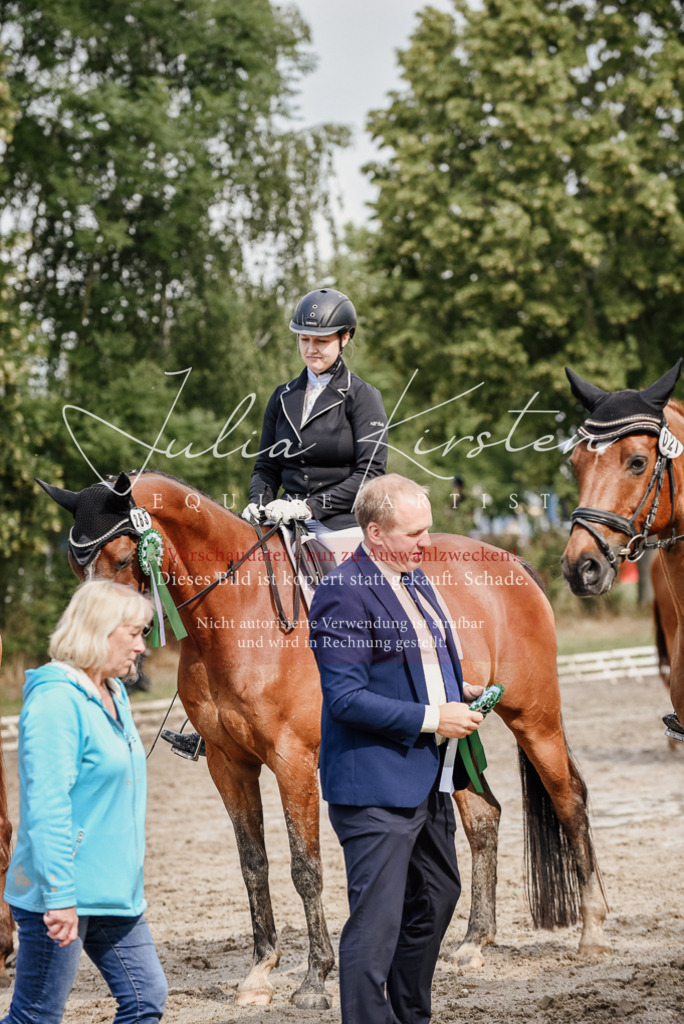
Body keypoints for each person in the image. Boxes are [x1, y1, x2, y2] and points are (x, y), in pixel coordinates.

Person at [163, 286, 388, 759]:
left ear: (345, 338)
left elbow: (371, 474)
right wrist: (258, 502)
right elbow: (265, 466)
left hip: (340, 523)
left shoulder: (363, 397)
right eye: (305, 339)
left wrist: (311, 506)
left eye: (322, 340)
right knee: (231, 591)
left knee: (353, 596)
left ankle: (374, 692)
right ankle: (211, 716)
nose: (312, 348)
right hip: (281, 521)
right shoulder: (282, 396)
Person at [308, 473, 484, 1024]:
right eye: (414, 533)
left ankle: (410, 1014)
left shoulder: (415, 575)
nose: (426, 542)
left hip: (431, 773)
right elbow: (346, 699)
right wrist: (435, 716)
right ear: (375, 532)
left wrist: (460, 692)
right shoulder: (343, 592)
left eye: (428, 529)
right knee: (376, 924)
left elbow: (426, 658)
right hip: (373, 785)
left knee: (438, 896)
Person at [2, 580, 168, 1024]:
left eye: (144, 634)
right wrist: (59, 896)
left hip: (114, 890)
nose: (140, 646)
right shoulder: (57, 703)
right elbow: (46, 808)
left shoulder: (114, 693)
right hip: (60, 891)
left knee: (145, 998)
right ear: (98, 630)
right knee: (35, 1017)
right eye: (132, 633)